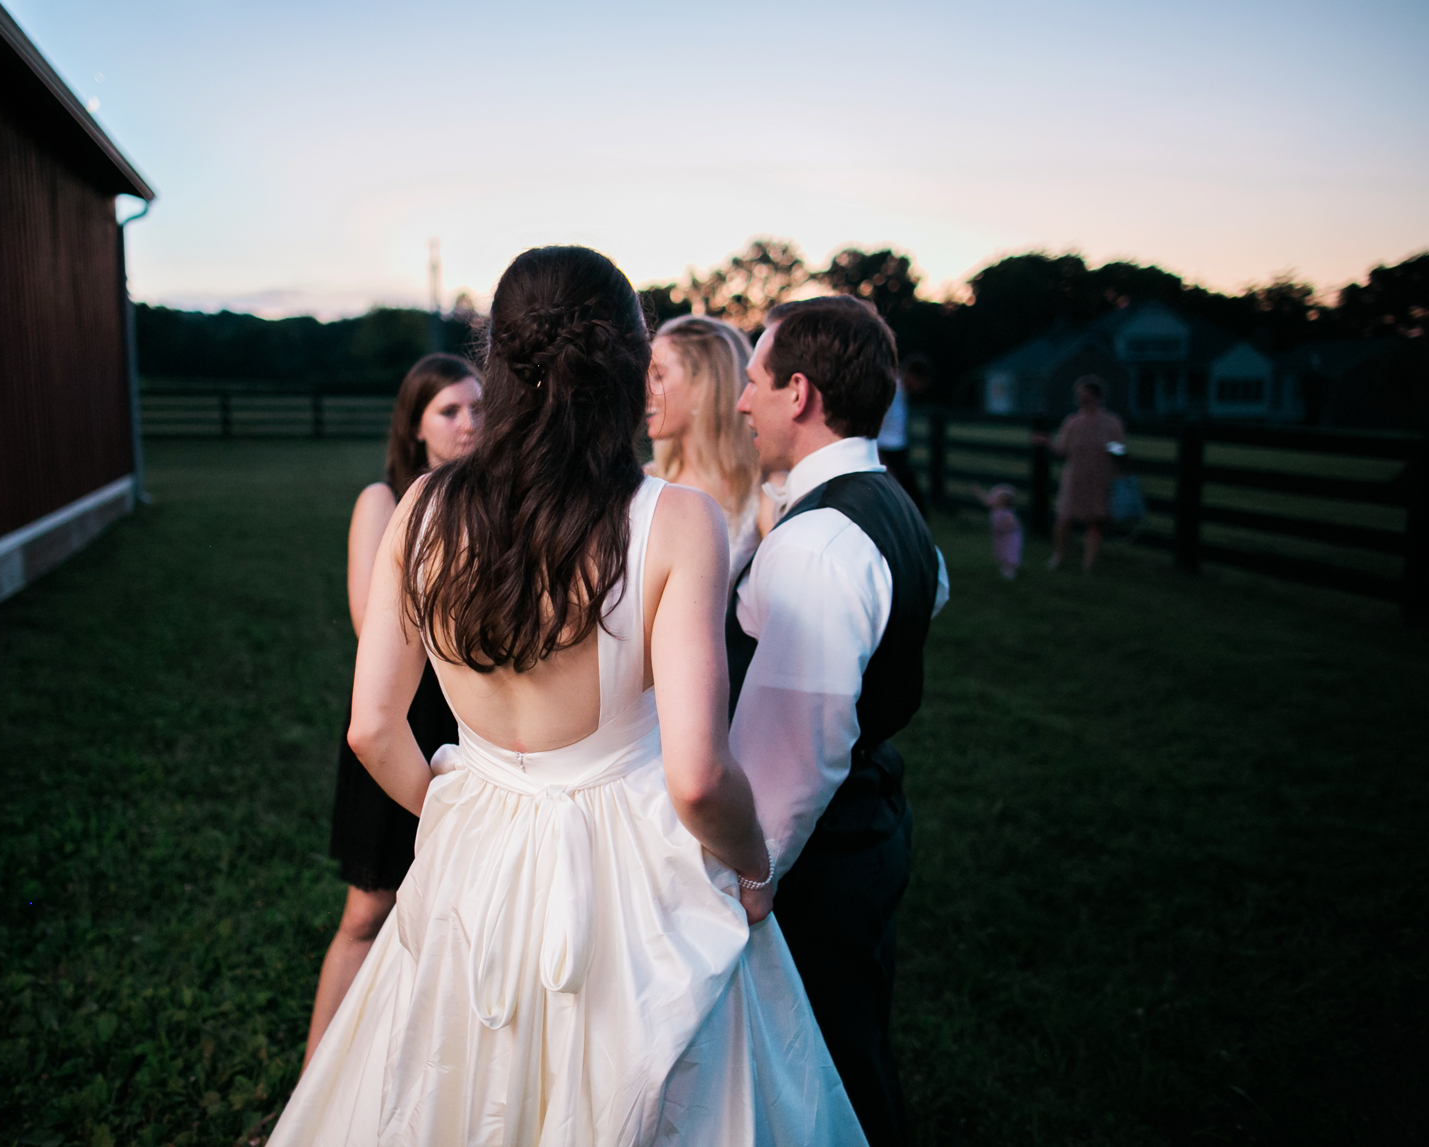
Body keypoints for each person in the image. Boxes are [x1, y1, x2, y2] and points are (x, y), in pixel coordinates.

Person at [269, 247, 864, 1146]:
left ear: (497, 361)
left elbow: (372, 728)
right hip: (634, 872)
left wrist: (470, 808)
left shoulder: (420, 508)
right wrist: (753, 869)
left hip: (475, 854)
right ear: (625, 364)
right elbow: (697, 774)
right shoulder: (675, 520)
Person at [729, 294, 950, 1147]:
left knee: (826, 1065)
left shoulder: (820, 541)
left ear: (801, 392)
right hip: (872, 819)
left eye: (753, 380)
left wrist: (750, 878)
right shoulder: (889, 502)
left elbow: (798, 757)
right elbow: (930, 590)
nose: (742, 401)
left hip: (819, 853)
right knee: (854, 1037)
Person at [303, 353, 481, 1068]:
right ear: (414, 425)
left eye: (477, 406)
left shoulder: (489, 495)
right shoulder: (383, 500)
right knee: (368, 910)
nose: (470, 422)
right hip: (403, 716)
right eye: (449, 410)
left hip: (474, 722)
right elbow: (365, 621)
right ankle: (313, 1081)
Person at [645, 314, 778, 582]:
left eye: (658, 376)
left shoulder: (763, 495)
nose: (644, 390)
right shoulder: (643, 484)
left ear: (705, 385)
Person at [1036, 376, 1126, 573]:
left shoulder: (1111, 422)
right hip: (1074, 476)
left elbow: (1119, 449)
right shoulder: (1073, 422)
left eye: (1086, 395)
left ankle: (1089, 563)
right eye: (1080, 395)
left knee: (1094, 521)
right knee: (1063, 519)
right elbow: (1062, 450)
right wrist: (1046, 442)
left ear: (1096, 396)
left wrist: (1111, 453)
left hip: (1098, 477)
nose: (1082, 399)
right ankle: (1058, 556)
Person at [875, 353, 930, 515]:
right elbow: (878, 423)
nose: (921, 387)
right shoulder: (892, 392)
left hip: (897, 447)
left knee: (909, 494)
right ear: (912, 376)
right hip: (887, 448)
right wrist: (880, 456)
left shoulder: (902, 393)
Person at [972, 483, 1024, 579]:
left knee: (1010, 552)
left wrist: (1005, 529)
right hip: (1000, 536)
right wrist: (978, 492)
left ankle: (1010, 571)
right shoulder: (995, 507)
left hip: (1010, 537)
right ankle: (1005, 568)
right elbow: (985, 500)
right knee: (1001, 551)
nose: (992, 499)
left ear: (1003, 500)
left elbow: (1013, 524)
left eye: (995, 497)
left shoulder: (1007, 513)